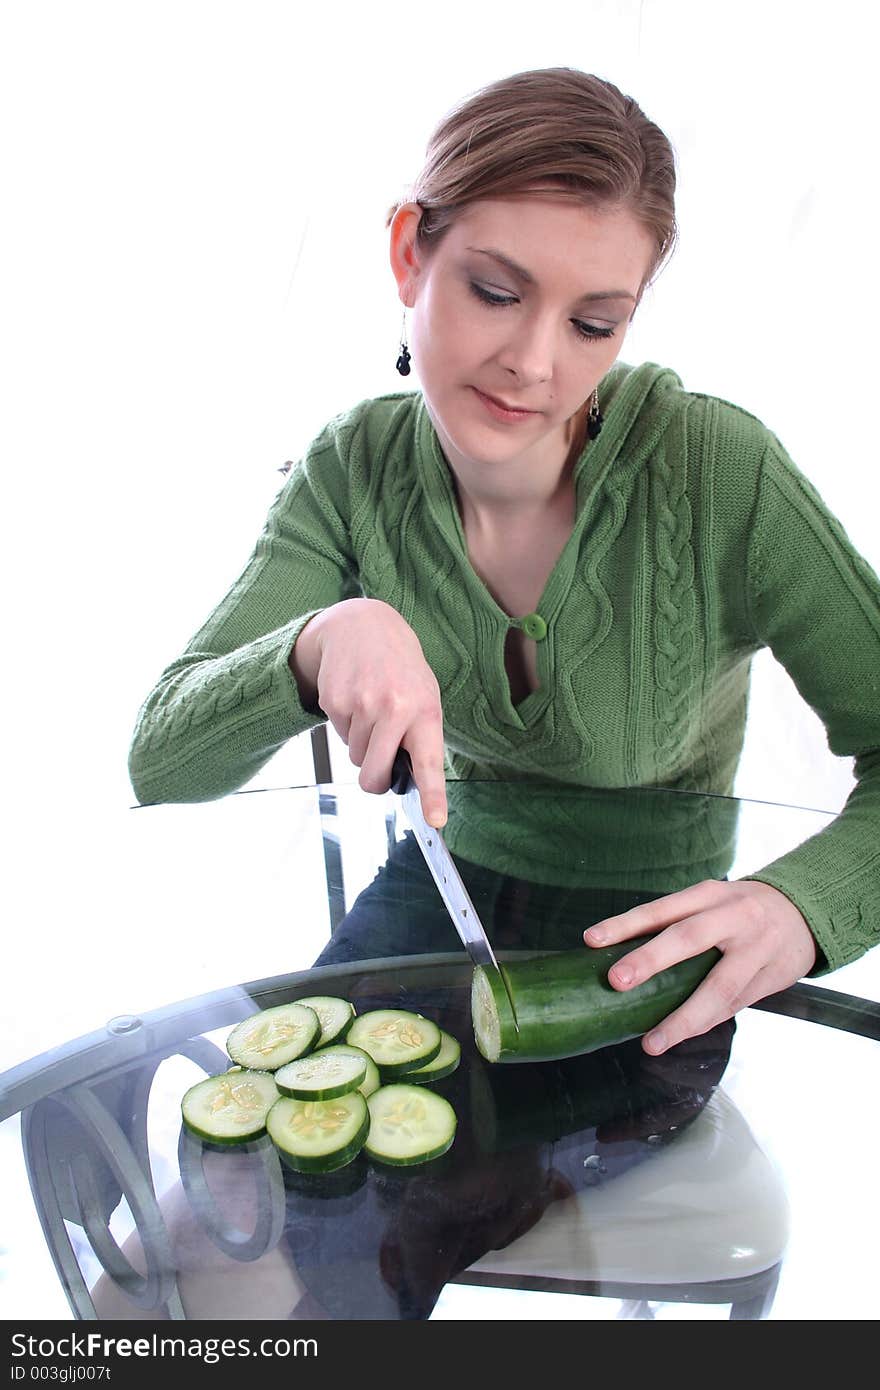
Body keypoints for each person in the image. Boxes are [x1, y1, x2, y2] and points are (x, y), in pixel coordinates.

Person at [129, 67, 880, 1057]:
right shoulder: (353, 468)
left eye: (591, 323)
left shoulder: (716, 473)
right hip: (439, 885)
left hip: (642, 951)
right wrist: (319, 642)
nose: (534, 360)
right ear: (409, 253)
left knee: (464, 1203)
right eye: (494, 291)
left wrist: (800, 908)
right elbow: (164, 760)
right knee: (254, 1147)